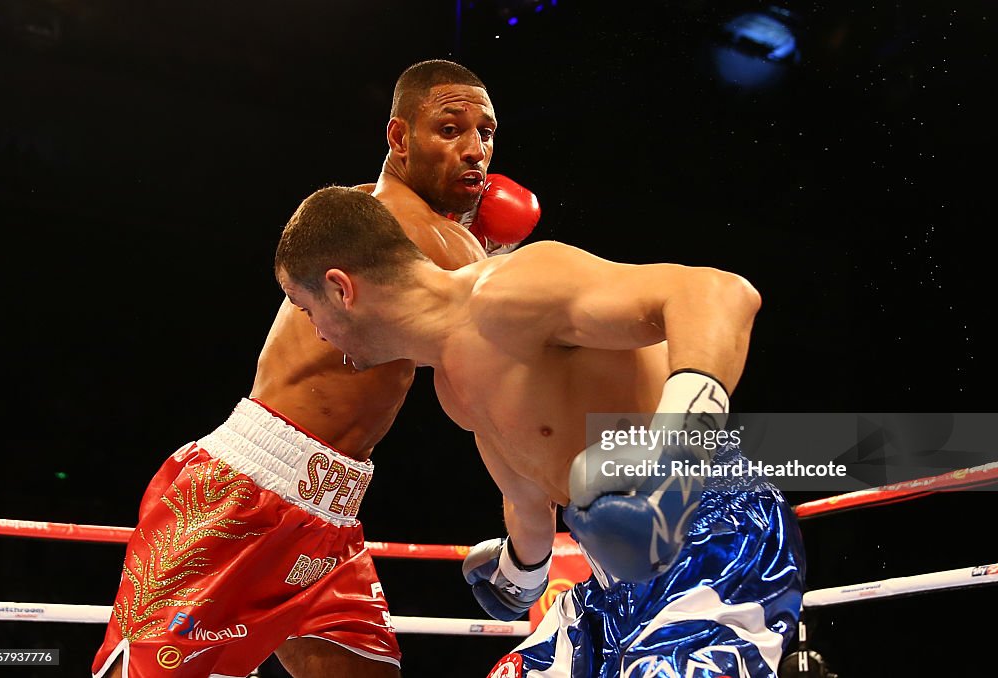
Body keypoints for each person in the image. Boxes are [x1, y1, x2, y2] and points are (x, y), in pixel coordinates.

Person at [91, 59, 540, 678]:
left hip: (327, 513)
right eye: (450, 129)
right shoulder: (426, 237)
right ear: (400, 138)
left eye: (485, 134)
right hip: (243, 495)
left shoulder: (374, 213)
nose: (474, 151)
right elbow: (520, 365)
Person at [274, 186, 806, 678]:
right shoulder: (454, 391)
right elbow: (530, 498)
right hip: (609, 584)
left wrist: (669, 452)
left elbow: (717, 292)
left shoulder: (513, 290)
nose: (316, 332)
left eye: (307, 308)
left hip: (712, 538)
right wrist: (520, 571)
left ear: (342, 289)